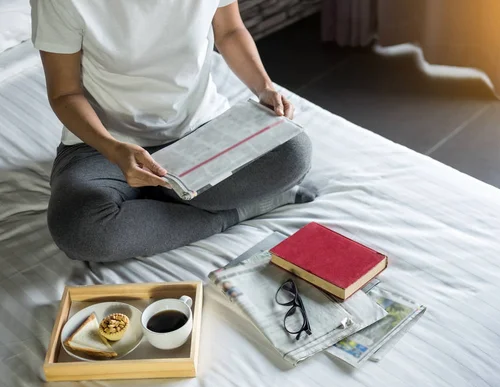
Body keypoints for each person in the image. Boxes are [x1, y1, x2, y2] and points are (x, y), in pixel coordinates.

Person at [31, 1, 314, 263]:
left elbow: (229, 31)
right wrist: (113, 148)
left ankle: (159, 199)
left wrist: (264, 87)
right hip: (103, 146)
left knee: (293, 152)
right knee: (82, 232)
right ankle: (229, 211)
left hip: (197, 131)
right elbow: (65, 93)